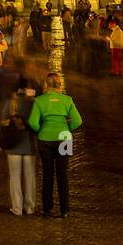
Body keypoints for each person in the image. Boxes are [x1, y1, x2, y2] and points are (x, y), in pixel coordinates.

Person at [28, 71, 82, 218]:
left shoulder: (39, 101)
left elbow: (32, 122)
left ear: (46, 84)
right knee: (63, 174)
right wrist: (67, 129)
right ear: (60, 84)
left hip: (45, 139)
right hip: (64, 139)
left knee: (47, 174)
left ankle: (47, 208)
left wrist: (42, 130)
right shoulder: (67, 100)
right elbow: (78, 121)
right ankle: (65, 209)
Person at [0, 83, 37, 216]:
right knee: (30, 177)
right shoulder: (33, 103)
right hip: (29, 145)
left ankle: (17, 208)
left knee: (14, 177)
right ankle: (30, 207)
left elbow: (3, 122)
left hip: (13, 146)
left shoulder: (10, 103)